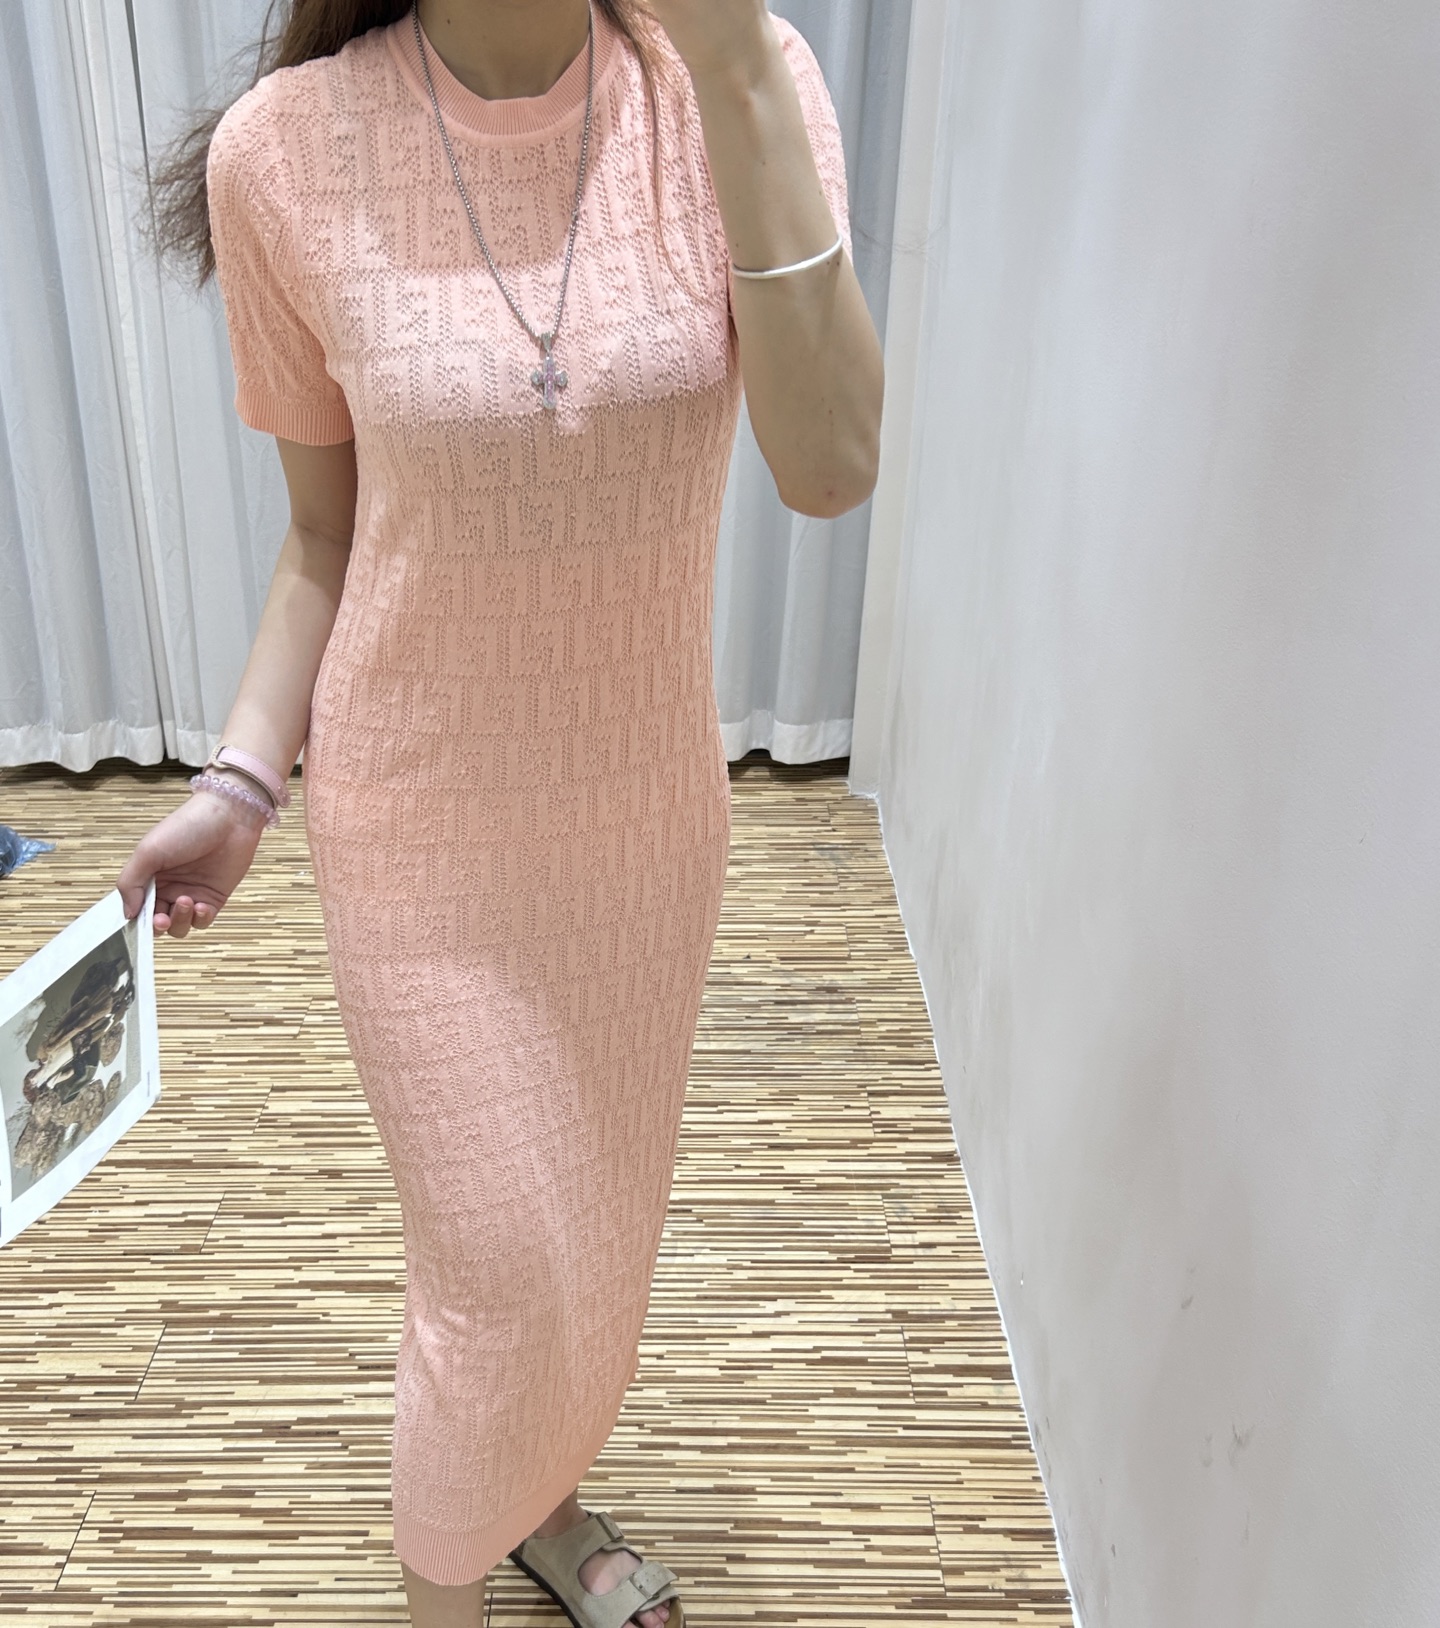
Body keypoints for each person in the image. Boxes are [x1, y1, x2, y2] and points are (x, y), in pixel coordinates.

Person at [117, 1, 883, 1624]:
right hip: (421, 832)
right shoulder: (285, 154)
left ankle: (544, 1500)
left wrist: (736, 65)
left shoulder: (738, 81)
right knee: (496, 1278)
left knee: (589, 1243)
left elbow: (828, 468)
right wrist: (242, 779)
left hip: (640, 830)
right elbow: (327, 538)